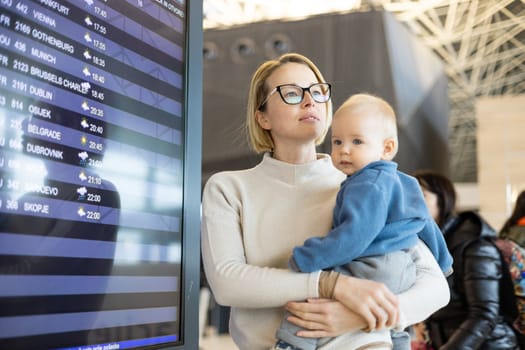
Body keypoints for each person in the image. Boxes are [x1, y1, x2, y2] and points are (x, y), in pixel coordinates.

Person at [200, 52, 450, 350]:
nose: (310, 101)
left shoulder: (365, 187)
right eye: (292, 93)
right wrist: (333, 285)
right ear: (262, 116)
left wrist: (359, 316)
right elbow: (228, 283)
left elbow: (435, 287)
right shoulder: (229, 188)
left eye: (317, 92)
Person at [273, 94, 453, 350]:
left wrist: (308, 258)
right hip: (402, 268)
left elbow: (353, 238)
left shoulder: (366, 184)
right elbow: (426, 226)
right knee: (392, 326)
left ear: (387, 148)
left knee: (311, 299)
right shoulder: (404, 181)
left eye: (357, 141)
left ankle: (291, 343)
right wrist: (443, 262)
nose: (344, 149)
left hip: (373, 265)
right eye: (337, 142)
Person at [413, 170, 520, 349]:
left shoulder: (475, 245)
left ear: (443, 199)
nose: (412, 201)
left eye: (421, 195)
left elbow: (484, 314)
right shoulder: (428, 245)